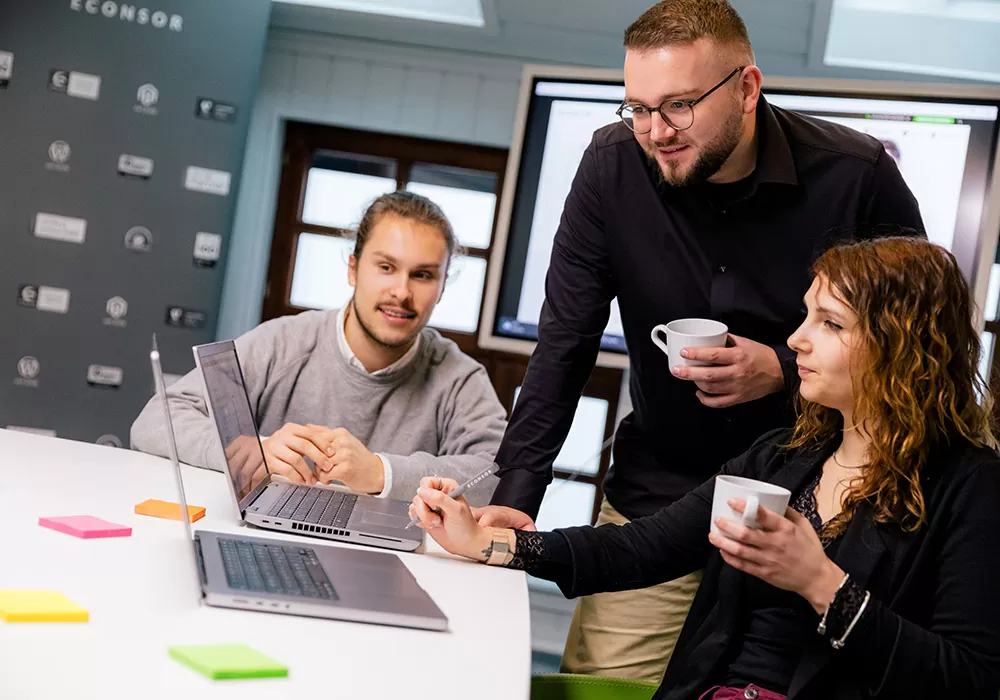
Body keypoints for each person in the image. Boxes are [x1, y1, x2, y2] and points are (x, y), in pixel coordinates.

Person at [487, 0, 925, 681]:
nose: (654, 131)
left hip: (809, 513)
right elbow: (564, 342)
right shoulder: (610, 167)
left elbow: (914, 344)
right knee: (601, 690)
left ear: (747, 88)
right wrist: (519, 490)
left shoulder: (857, 178)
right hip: (655, 497)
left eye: (679, 106)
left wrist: (779, 367)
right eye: (635, 107)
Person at [414, 236, 1000, 700]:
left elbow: (970, 679)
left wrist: (821, 583)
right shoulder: (780, 457)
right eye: (806, 316)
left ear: (902, 345)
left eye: (831, 323)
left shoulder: (971, 485)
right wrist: (488, 543)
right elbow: (637, 549)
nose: (795, 340)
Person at [131, 191, 507, 506]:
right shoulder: (283, 342)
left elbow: (497, 475)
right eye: (387, 267)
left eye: (422, 275)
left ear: (442, 287)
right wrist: (252, 450)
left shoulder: (459, 377)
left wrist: (381, 472)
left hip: (397, 564)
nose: (402, 292)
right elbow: (155, 420)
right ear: (354, 269)